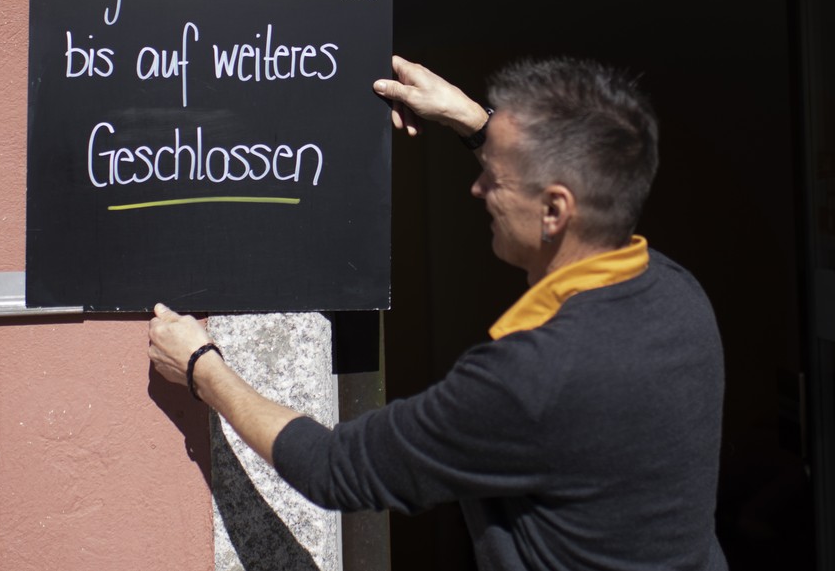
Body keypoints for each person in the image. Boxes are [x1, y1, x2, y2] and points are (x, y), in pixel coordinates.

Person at [148, 54, 727, 571]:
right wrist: (476, 121)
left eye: (493, 179)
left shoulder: (529, 382)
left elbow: (333, 469)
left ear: (554, 209)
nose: (477, 190)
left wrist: (202, 367)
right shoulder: (677, 294)